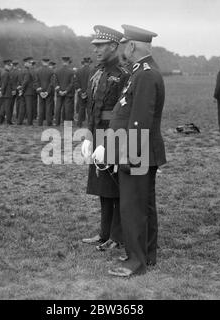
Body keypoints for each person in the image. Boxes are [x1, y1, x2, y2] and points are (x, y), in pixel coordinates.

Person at [91, 25, 167, 277]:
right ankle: (146, 254)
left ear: (132, 46)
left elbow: (139, 121)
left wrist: (126, 154)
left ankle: (136, 261)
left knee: (134, 207)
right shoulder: (140, 72)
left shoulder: (145, 74)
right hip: (138, 149)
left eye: (125, 45)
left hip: (136, 151)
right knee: (143, 205)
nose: (123, 49)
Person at [81, 25, 130, 252]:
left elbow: (123, 113)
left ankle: (117, 237)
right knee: (102, 186)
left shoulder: (123, 75)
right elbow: (92, 108)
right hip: (98, 133)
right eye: (95, 46)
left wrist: (110, 142)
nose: (96, 50)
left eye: (101, 46)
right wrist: (89, 137)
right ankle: (104, 233)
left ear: (113, 46)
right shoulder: (97, 72)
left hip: (115, 135)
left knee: (115, 186)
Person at [54, 57, 75, 126]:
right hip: (68, 93)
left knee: (58, 108)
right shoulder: (71, 72)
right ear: (68, 62)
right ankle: (67, 123)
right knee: (67, 109)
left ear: (62, 62)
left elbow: (55, 82)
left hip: (59, 93)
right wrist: (66, 91)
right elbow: (71, 83)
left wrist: (59, 90)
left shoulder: (57, 71)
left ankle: (57, 122)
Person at [35, 58, 55, 126]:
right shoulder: (51, 71)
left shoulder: (38, 71)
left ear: (42, 62)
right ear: (48, 62)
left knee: (41, 107)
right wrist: (47, 92)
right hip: (48, 92)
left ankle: (40, 122)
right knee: (48, 108)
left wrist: (40, 91)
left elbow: (36, 82)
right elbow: (51, 83)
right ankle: (49, 122)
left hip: (41, 92)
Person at [75, 58, 92, 128]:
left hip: (81, 92)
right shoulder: (92, 71)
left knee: (81, 108)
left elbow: (76, 82)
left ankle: (79, 123)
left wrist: (80, 92)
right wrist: (88, 92)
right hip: (89, 93)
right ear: (89, 63)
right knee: (89, 108)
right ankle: (89, 123)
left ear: (83, 62)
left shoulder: (78, 71)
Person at [19, 57, 36, 125]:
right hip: (28, 91)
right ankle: (29, 122)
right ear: (25, 63)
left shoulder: (21, 71)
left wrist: (21, 90)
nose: (30, 64)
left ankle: (20, 121)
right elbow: (25, 81)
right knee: (29, 107)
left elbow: (21, 81)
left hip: (24, 91)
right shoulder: (28, 71)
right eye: (29, 63)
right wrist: (22, 90)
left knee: (22, 107)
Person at [0, 59, 14, 125]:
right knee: (7, 107)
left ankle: (1, 120)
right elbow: (4, 84)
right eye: (10, 66)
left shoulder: (4, 72)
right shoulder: (6, 73)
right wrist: (2, 91)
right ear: (6, 66)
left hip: (5, 92)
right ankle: (8, 120)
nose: (11, 67)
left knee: (3, 107)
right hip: (7, 92)